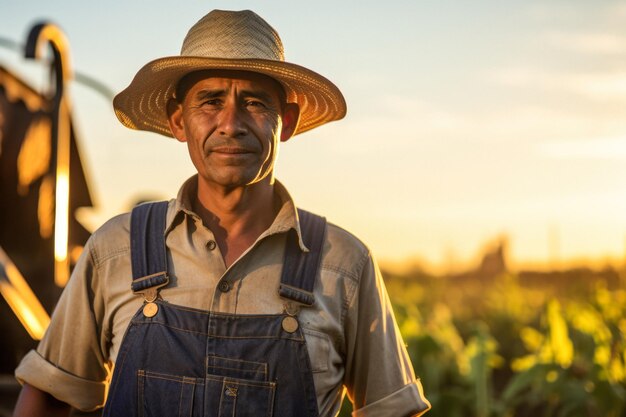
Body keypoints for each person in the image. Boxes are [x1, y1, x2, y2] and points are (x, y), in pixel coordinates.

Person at [13, 9, 431, 417]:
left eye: (254, 103)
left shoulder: (344, 264)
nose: (230, 123)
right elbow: (51, 397)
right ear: (179, 122)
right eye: (210, 102)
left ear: (285, 121)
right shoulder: (115, 249)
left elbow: (389, 409)